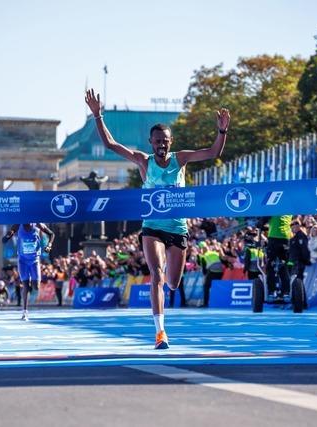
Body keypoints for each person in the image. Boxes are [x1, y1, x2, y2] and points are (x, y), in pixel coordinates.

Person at [85, 88, 230, 349]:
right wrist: (98, 116)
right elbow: (110, 144)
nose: (161, 144)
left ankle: (169, 293)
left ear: (170, 142)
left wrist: (222, 131)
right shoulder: (143, 161)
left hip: (178, 228)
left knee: (172, 283)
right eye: (157, 141)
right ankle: (160, 332)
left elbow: (213, 153)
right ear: (151, 142)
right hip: (152, 227)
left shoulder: (181, 159)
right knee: (156, 276)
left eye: (165, 140)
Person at [3, 223, 54, 321]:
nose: (28, 223)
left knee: (36, 287)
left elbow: (52, 234)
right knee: (26, 285)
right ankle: (25, 311)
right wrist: (7, 237)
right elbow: (10, 233)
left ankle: (31, 279)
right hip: (23, 261)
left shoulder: (38, 224)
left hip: (34, 261)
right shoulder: (18, 225)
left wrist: (49, 246)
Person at [259, 216, 292, 298]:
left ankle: (271, 290)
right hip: (286, 239)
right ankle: (286, 291)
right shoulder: (289, 211)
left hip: (274, 239)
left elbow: (262, 221)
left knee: (270, 265)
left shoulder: (274, 210)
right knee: (283, 266)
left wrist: (261, 225)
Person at [199, 240, 225, 307]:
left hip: (212, 271)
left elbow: (204, 269)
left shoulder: (203, 256)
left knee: (206, 286)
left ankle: (205, 303)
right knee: (218, 286)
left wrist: (205, 276)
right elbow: (222, 259)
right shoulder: (214, 253)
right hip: (220, 271)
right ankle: (220, 302)